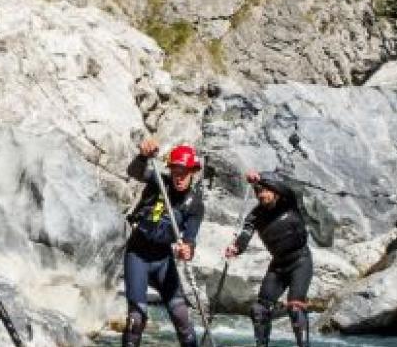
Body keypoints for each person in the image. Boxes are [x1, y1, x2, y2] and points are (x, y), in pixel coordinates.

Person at [122, 137, 205, 347]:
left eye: (184, 172)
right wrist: (142, 156)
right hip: (137, 254)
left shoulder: (195, 204)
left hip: (163, 259)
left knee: (181, 317)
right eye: (175, 171)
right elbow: (134, 171)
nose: (179, 177)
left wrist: (187, 250)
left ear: (192, 173)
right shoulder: (158, 181)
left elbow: (190, 239)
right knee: (136, 319)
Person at [224, 170, 312, 347]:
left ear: (275, 191)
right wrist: (236, 248)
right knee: (259, 310)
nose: (262, 194)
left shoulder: (289, 203)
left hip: (300, 262)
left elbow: (286, 189)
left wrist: (260, 179)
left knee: (295, 307)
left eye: (266, 190)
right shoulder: (255, 215)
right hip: (278, 266)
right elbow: (245, 234)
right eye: (258, 191)